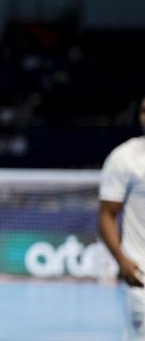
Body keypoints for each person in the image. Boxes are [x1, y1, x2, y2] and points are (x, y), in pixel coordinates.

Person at [99, 94, 145, 340]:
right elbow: (107, 214)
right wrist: (122, 260)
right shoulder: (124, 158)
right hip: (141, 276)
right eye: (143, 111)